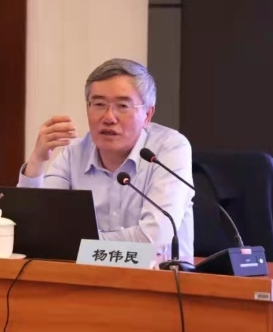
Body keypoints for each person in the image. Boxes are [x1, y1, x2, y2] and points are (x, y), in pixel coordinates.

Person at [17, 58, 194, 259]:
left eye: (122, 106)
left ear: (147, 115)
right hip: (86, 276)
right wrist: (38, 160)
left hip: (161, 277)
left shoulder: (169, 150)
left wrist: (74, 245)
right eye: (99, 104)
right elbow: (36, 229)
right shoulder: (74, 153)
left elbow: (153, 240)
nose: (109, 117)